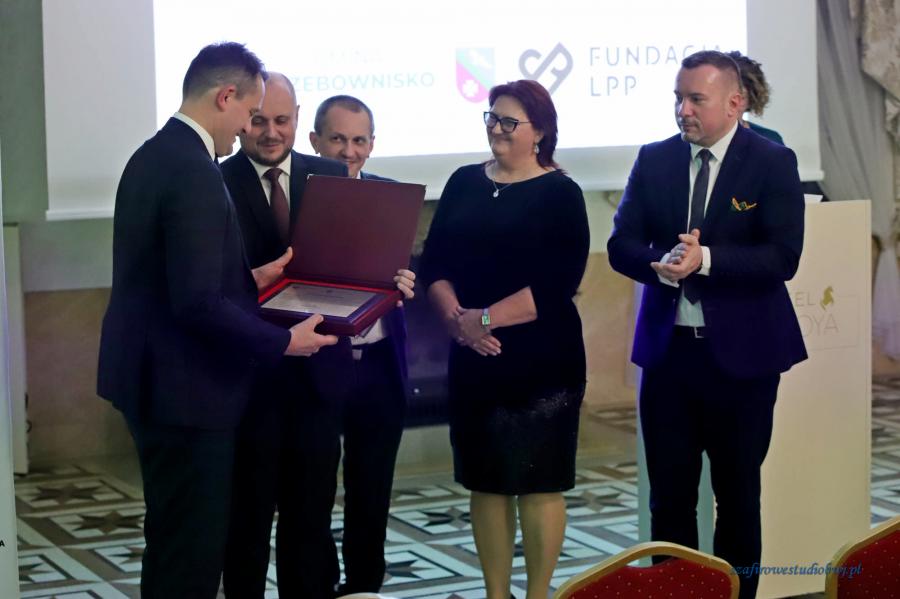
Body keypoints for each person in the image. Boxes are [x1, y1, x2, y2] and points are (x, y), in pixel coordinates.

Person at [96, 44, 338, 599]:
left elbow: (172, 277)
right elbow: (198, 303)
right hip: (186, 391)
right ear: (225, 96)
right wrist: (282, 342)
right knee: (192, 557)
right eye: (250, 113)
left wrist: (247, 278)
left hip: (154, 383)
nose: (249, 128)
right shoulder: (195, 171)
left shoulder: (153, 155)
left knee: (172, 542)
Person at [606, 50, 807, 599]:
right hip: (669, 356)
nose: (683, 110)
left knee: (738, 496)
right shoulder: (654, 159)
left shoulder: (771, 162)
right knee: (668, 499)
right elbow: (620, 245)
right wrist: (658, 263)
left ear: (735, 103)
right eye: (678, 98)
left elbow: (783, 256)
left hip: (743, 360)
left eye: (696, 99)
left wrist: (708, 260)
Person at [220, 76, 413, 598]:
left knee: (309, 519)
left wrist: (390, 281)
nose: (271, 131)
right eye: (260, 120)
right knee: (248, 521)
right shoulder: (217, 181)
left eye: (282, 120)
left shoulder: (328, 176)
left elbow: (354, 264)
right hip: (253, 379)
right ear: (242, 119)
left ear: (297, 120)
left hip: (322, 377)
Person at [419, 79, 589, 599]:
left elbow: (558, 284)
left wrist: (485, 319)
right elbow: (434, 263)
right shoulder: (464, 182)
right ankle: (497, 594)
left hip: (542, 361)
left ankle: (537, 594)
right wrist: (457, 318)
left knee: (539, 482)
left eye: (509, 121)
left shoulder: (561, 194)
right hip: (474, 356)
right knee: (486, 480)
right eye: (491, 117)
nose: (496, 128)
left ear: (540, 132)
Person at [306, 94, 411, 595]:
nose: (349, 151)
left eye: (359, 140)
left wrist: (407, 284)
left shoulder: (392, 197)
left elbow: (402, 274)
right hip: (316, 364)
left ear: (372, 144)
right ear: (315, 141)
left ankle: (366, 587)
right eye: (338, 139)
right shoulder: (298, 198)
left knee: (372, 491)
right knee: (312, 490)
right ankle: (321, 587)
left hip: (380, 363)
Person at [727, 50, 784, 144]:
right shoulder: (701, 139)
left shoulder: (770, 140)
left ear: (750, 98)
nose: (733, 102)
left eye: (741, 97)